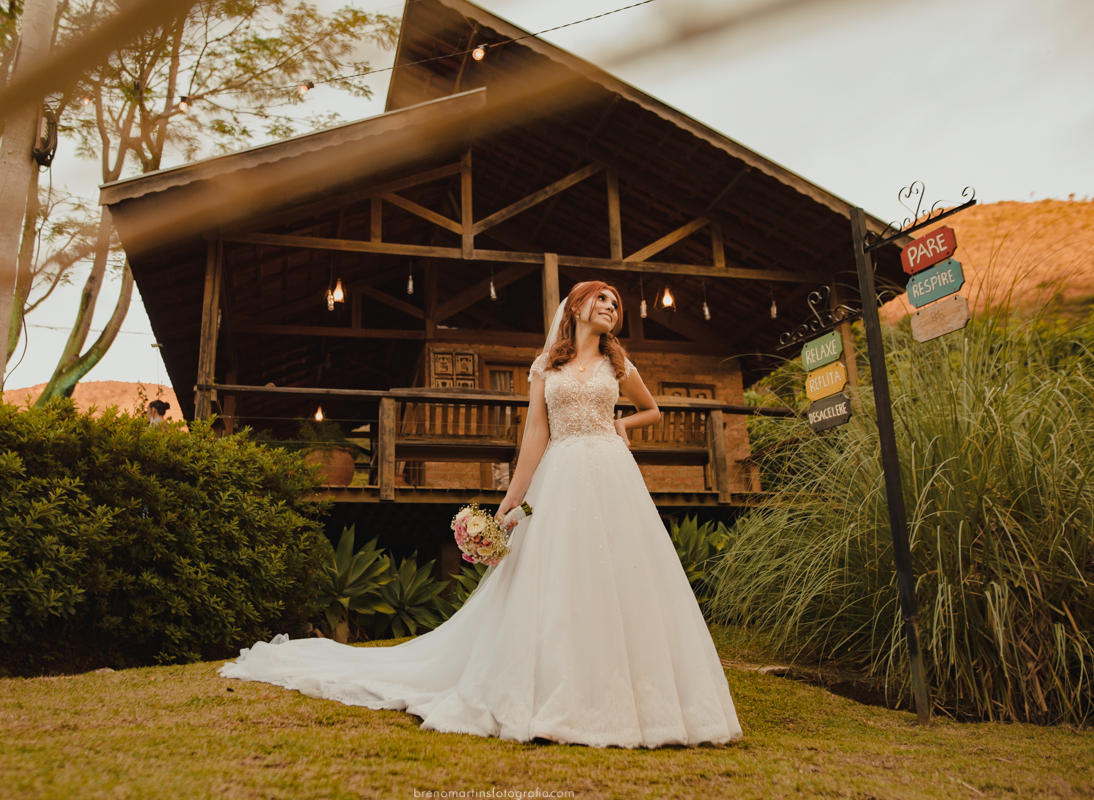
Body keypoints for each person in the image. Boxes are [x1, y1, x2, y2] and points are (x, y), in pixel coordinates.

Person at [219, 281, 742, 748]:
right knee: (556, 578)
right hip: (559, 475)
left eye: (616, 304)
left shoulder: (618, 364)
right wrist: (511, 499)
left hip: (611, 471)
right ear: (577, 307)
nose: (610, 308)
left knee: (623, 575)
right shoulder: (547, 366)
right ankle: (554, 688)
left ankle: (632, 697)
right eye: (601, 299)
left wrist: (624, 427)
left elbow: (654, 409)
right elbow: (535, 432)